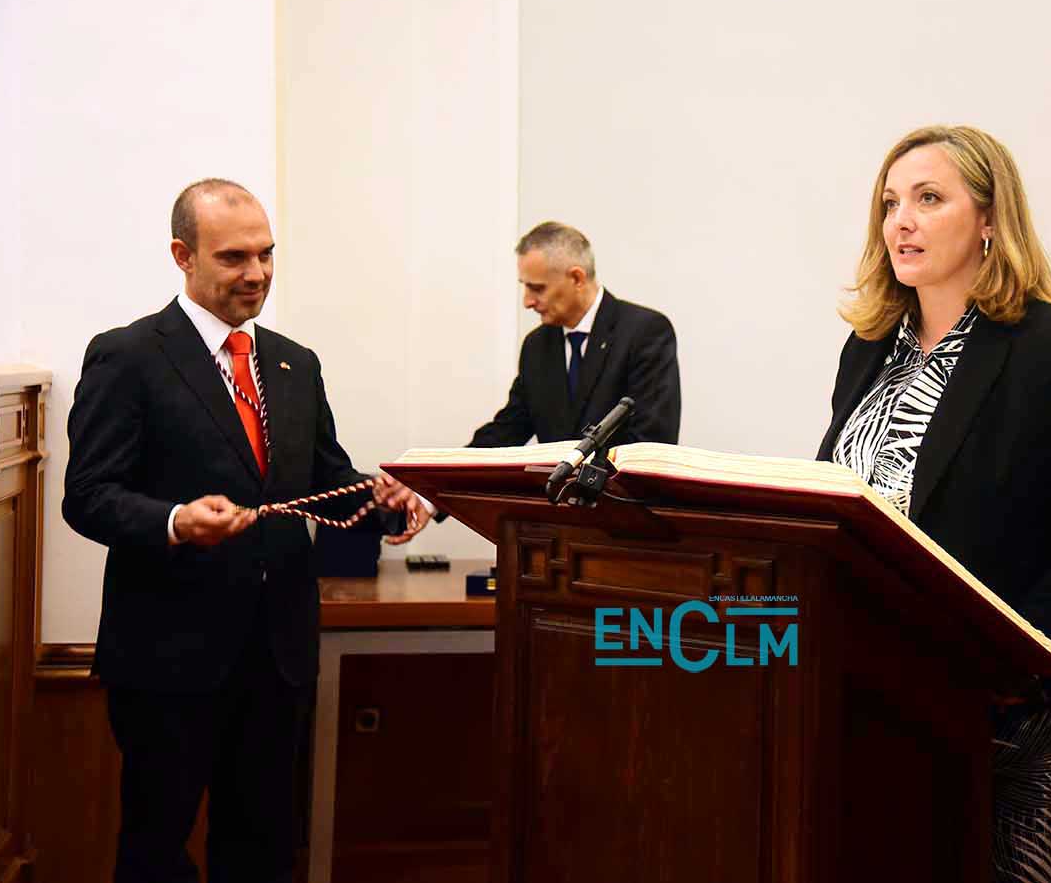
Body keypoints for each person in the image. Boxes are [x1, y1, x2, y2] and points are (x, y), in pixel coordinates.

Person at [815, 126, 1051, 882]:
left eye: (927, 199)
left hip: (1035, 710)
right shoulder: (870, 349)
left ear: (989, 218)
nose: (900, 222)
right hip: (896, 695)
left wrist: (1012, 659)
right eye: (889, 204)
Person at [62, 178, 430, 882]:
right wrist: (175, 521)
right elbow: (88, 497)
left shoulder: (295, 363)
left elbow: (326, 481)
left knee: (263, 850)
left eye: (266, 254)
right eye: (234, 257)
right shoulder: (127, 356)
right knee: (155, 850)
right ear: (183, 255)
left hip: (278, 654)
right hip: (168, 657)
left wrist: (386, 500)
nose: (256, 273)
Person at [469, 221, 681, 447]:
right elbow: (508, 429)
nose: (527, 302)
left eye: (537, 288)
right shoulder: (536, 345)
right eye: (525, 286)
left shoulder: (645, 333)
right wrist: (448, 462)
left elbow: (650, 443)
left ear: (577, 278)